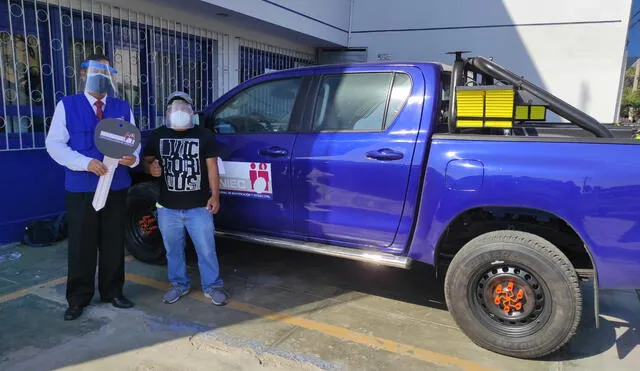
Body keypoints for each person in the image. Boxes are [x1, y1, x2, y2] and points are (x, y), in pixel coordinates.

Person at [45, 54, 139, 320]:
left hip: (116, 186)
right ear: (83, 74)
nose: (101, 77)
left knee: (113, 241)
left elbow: (134, 143)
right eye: (96, 71)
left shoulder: (121, 106)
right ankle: (78, 298)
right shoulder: (68, 105)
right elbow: (55, 145)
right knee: (81, 245)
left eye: (106, 72)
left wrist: (134, 158)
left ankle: (113, 292)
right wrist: (84, 163)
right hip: (81, 187)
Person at [142, 91, 229, 306]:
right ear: (168, 111)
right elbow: (146, 161)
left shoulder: (204, 135)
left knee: (207, 249)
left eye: (183, 107)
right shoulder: (158, 134)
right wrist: (150, 168)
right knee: (173, 250)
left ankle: (213, 286)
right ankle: (178, 284)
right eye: (174, 107)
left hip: (199, 207)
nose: (179, 110)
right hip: (167, 207)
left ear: (190, 111)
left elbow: (212, 167)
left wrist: (215, 196)